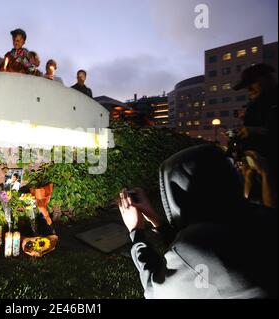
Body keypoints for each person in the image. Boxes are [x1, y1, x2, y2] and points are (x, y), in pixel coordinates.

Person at [119, 144, 278, 299]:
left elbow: (155, 290)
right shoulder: (263, 218)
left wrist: (136, 232)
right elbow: (195, 250)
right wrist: (157, 221)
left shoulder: (196, 247)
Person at [233, 63, 278, 208]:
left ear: (267, 79)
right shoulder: (256, 105)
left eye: (252, 83)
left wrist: (257, 131)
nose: (249, 89)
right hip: (255, 165)